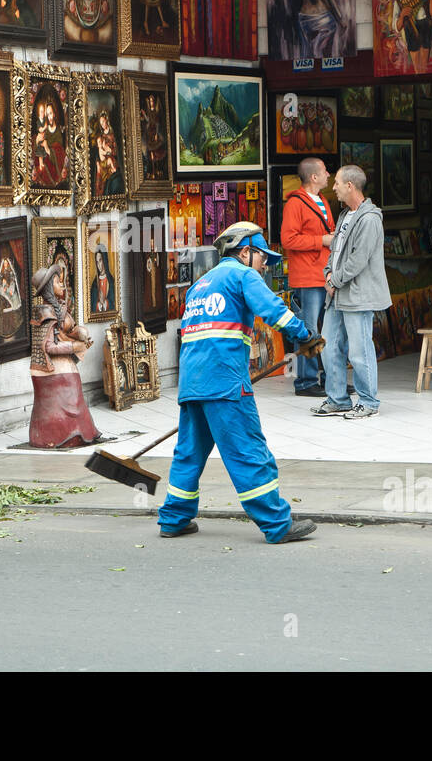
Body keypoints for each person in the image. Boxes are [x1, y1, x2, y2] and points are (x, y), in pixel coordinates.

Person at [157, 222, 317, 544]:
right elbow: (273, 310)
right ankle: (276, 523)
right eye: (262, 258)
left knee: (189, 453)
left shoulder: (199, 285)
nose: (265, 266)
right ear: (246, 252)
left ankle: (174, 518)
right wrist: (305, 334)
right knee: (247, 449)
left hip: (193, 384)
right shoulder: (243, 275)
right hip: (226, 383)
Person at [312, 165, 392, 419]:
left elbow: (358, 260)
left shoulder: (369, 219)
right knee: (328, 345)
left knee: (359, 350)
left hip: (356, 294)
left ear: (350, 186)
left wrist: (334, 280)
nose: (332, 187)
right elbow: (335, 252)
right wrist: (328, 273)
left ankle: (368, 402)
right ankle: (338, 399)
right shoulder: (346, 214)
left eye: (336, 182)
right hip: (337, 293)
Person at [28, 264, 106, 449]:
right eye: (56, 280)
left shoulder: (59, 308)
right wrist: (73, 346)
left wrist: (81, 333)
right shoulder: (44, 313)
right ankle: (61, 436)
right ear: (48, 287)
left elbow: (68, 329)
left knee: (75, 399)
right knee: (68, 403)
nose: (61, 283)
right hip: (50, 371)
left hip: (64, 367)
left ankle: (79, 434)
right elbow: (48, 346)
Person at [280, 158, 335, 397]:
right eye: (324, 171)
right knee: (308, 329)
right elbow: (288, 239)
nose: (328, 175)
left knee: (330, 329)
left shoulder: (323, 200)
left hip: (324, 272)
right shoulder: (295, 203)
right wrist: (320, 240)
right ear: (314, 177)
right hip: (307, 276)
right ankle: (306, 381)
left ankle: (330, 378)